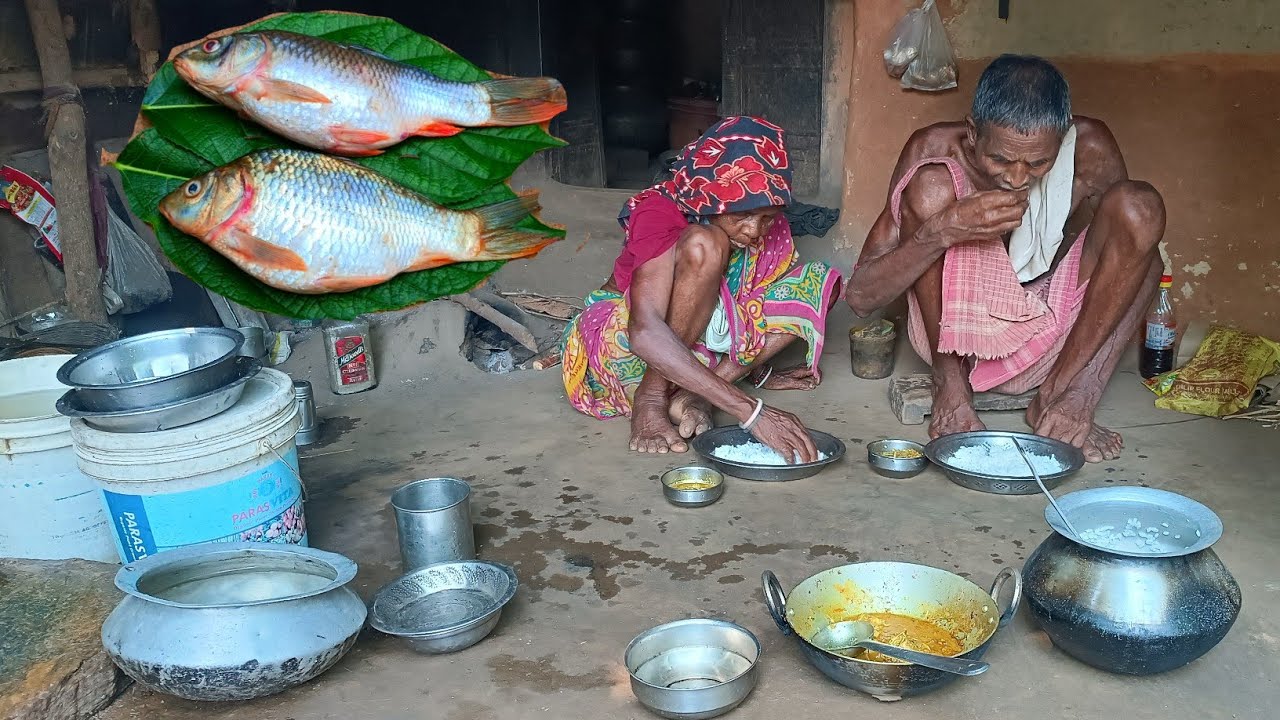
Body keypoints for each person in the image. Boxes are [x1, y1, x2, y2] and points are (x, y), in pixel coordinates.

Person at [846, 55, 1166, 463]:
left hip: (1049, 335)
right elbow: (860, 297)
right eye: (999, 159)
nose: (1017, 178)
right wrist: (943, 229)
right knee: (930, 186)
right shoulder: (933, 148)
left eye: (1038, 163)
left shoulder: (1088, 149)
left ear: (1062, 138)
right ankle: (952, 387)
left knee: (1141, 210)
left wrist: (1083, 391)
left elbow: (1140, 264)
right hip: (955, 340)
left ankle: (1054, 398)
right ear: (972, 132)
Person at [561, 117, 844, 461]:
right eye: (744, 214)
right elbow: (645, 332)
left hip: (694, 350)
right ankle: (652, 398)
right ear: (714, 195)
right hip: (626, 347)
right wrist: (750, 412)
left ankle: (697, 396)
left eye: (767, 217)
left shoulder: (767, 223)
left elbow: (754, 300)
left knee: (817, 284)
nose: (755, 229)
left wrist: (758, 368)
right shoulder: (660, 210)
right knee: (705, 244)